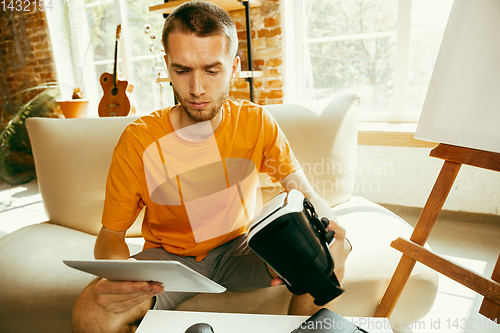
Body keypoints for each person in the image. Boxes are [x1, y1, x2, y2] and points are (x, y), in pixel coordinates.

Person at [72, 2, 351, 332]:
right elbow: (111, 235)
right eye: (183, 70)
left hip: (242, 247)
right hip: (170, 258)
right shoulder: (138, 141)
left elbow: (302, 190)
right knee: (90, 313)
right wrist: (116, 274)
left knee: (331, 252)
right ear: (166, 66)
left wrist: (328, 228)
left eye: (211, 70)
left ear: (234, 67)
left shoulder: (256, 122)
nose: (197, 89)